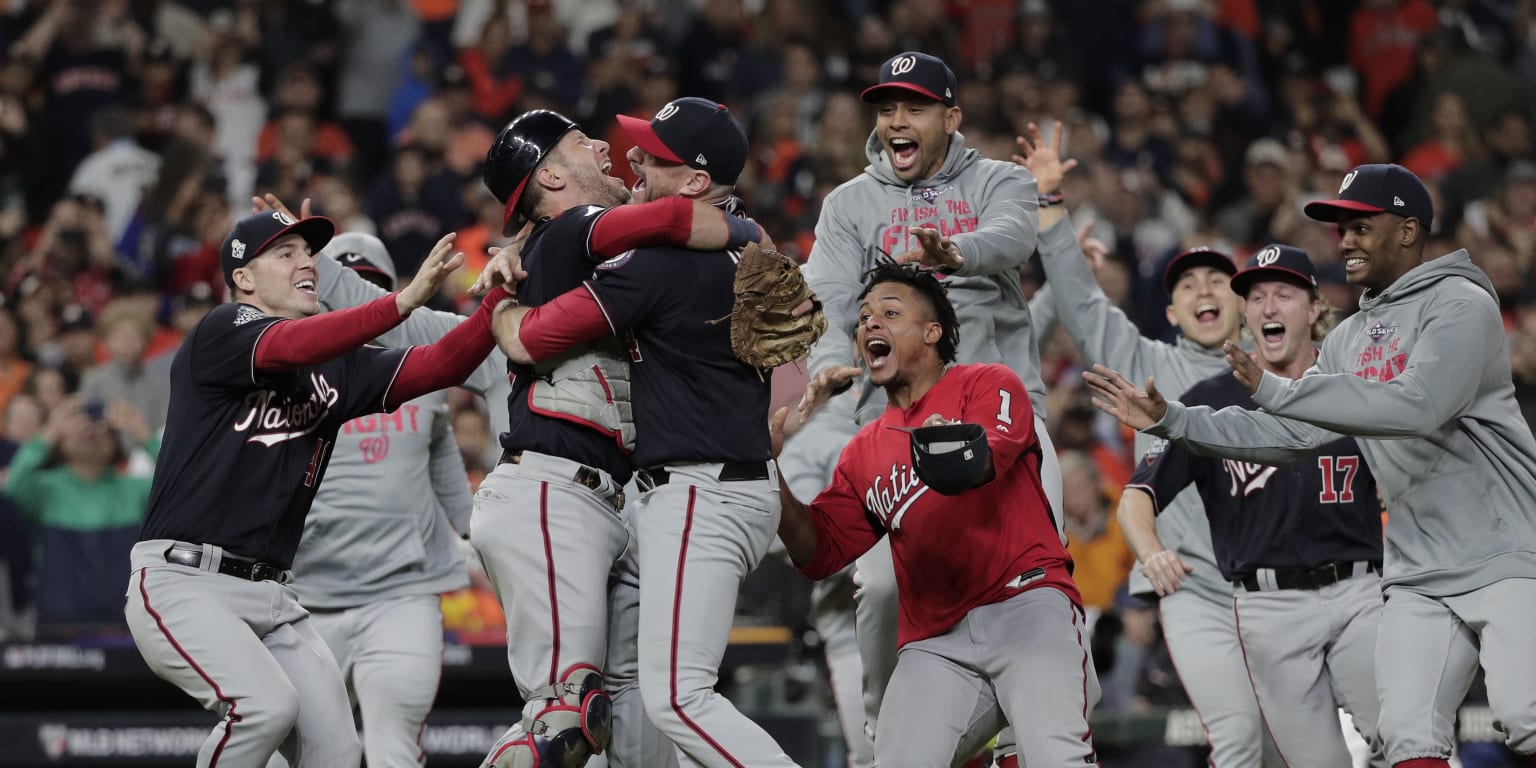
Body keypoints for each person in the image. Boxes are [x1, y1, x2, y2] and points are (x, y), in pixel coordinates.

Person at [1084, 163, 1536, 768]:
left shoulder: (1461, 302)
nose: (1344, 239)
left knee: (1526, 717)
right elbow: (1288, 432)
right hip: (1415, 572)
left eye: (1359, 225)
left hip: (1502, 551)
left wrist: (1275, 391)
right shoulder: (1349, 338)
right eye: (1339, 228)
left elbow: (1419, 404)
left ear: (1407, 231)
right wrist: (1174, 421)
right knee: (1407, 738)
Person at [121, 209, 510, 768]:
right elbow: (289, 348)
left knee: (335, 751)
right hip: (186, 581)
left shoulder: (339, 368)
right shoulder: (221, 330)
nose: (307, 261)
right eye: (285, 253)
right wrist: (399, 304)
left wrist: (495, 299)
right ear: (244, 279)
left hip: (275, 595)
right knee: (264, 707)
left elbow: (442, 363)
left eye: (309, 252)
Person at [493, 97, 805, 768]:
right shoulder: (741, 237)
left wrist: (500, 309)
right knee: (637, 692)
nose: (632, 155)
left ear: (694, 182)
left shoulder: (662, 262)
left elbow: (532, 339)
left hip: (699, 490)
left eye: (652, 154)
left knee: (677, 699)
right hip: (713, 487)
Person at [789, 51, 1057, 765]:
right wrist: (828, 368)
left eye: (913, 107)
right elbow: (824, 300)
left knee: (1041, 585)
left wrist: (959, 252)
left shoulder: (999, 179)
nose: (896, 121)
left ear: (951, 117)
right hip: (901, 426)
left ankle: (1023, 741)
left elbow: (1016, 236)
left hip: (1006, 425)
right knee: (878, 588)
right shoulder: (850, 204)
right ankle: (888, 736)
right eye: (886, 108)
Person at [1015, 122, 1277, 768]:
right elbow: (1080, 302)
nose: (1204, 292)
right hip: (1194, 588)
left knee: (1290, 744)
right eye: (1187, 286)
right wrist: (1051, 206)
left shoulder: (1284, 380)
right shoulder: (1144, 361)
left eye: (1218, 281)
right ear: (1171, 313)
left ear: (1243, 305)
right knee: (1239, 740)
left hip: (1281, 588)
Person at [771, 262, 1097, 767]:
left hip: (1026, 605)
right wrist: (769, 474)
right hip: (937, 641)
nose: (869, 324)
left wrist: (952, 447)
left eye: (890, 312)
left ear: (932, 331)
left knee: (1056, 758)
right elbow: (818, 551)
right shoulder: (863, 450)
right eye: (863, 317)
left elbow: (989, 456)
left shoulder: (988, 382)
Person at [1118, 244, 1385, 766]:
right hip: (1268, 606)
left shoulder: (1353, 383)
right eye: (1256, 296)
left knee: (1401, 738)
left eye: (1283, 294)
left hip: (1360, 591)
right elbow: (1137, 495)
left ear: (1313, 308)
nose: (1267, 307)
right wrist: (1151, 554)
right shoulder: (1208, 398)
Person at [285, 233, 475, 768]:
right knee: (300, 755)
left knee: (394, 751)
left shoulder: (423, 368)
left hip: (403, 595)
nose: (359, 300)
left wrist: (478, 538)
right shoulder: (291, 373)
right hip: (304, 601)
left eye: (372, 287)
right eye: (348, 287)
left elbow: (441, 464)